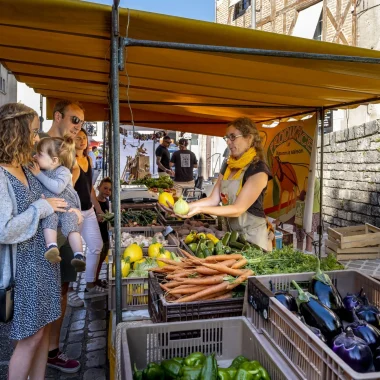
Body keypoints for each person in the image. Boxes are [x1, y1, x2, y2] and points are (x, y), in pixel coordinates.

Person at [0, 103, 71, 380]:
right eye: (31, 131)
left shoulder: (27, 169)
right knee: (28, 338)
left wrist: (67, 210)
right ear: (15, 133)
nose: (35, 137)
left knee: (41, 334)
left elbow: (50, 198)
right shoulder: (2, 175)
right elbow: (4, 229)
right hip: (24, 271)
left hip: (43, 265)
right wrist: (43, 208)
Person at [162, 117, 272, 250]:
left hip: (253, 239)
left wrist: (200, 209)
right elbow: (214, 199)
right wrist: (185, 207)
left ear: (249, 138)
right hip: (232, 237)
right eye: (227, 138)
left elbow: (238, 209)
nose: (229, 143)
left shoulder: (258, 169)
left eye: (233, 137)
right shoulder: (228, 164)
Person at [39, 99, 84, 374]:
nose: (79, 127)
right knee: (45, 289)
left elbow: (71, 187)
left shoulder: (70, 151)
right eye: (75, 120)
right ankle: (38, 347)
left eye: (82, 122)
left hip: (64, 224)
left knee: (63, 287)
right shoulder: (38, 145)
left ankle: (52, 350)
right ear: (58, 117)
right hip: (42, 227)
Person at [29, 136, 85, 272]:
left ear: (54, 160)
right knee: (49, 221)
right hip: (52, 210)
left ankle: (79, 255)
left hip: (67, 209)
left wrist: (38, 174)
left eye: (39, 154)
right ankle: (52, 247)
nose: (35, 156)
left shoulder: (63, 171)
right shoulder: (40, 170)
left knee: (71, 227)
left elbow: (57, 187)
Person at [74, 128, 105, 298]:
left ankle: (90, 284)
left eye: (84, 137)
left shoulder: (88, 159)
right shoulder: (70, 161)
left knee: (96, 246)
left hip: (89, 211)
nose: (82, 140)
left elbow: (90, 188)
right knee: (74, 253)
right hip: (74, 212)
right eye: (78, 138)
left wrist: (98, 209)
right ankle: (70, 291)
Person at [95, 177, 112, 287]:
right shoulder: (95, 204)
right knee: (97, 260)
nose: (107, 191)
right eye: (105, 188)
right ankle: (93, 281)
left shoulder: (107, 202)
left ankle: (96, 280)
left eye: (110, 190)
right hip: (98, 237)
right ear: (98, 187)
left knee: (101, 261)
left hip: (106, 237)